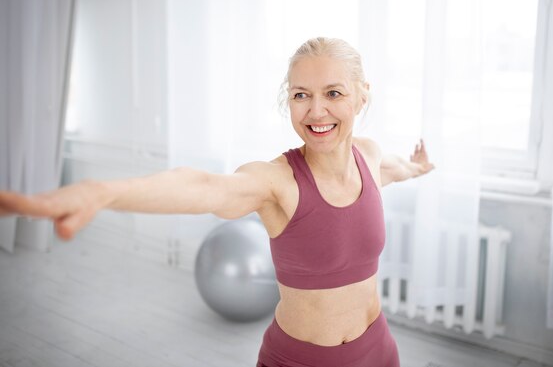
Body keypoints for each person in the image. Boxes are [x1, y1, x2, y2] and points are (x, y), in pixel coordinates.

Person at [0, 37, 434, 367]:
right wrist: (103, 191)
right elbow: (203, 186)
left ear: (361, 95)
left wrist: (419, 167)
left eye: (333, 93)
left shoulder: (369, 155)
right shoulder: (277, 181)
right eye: (301, 94)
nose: (316, 111)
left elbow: (396, 169)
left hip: (378, 350)